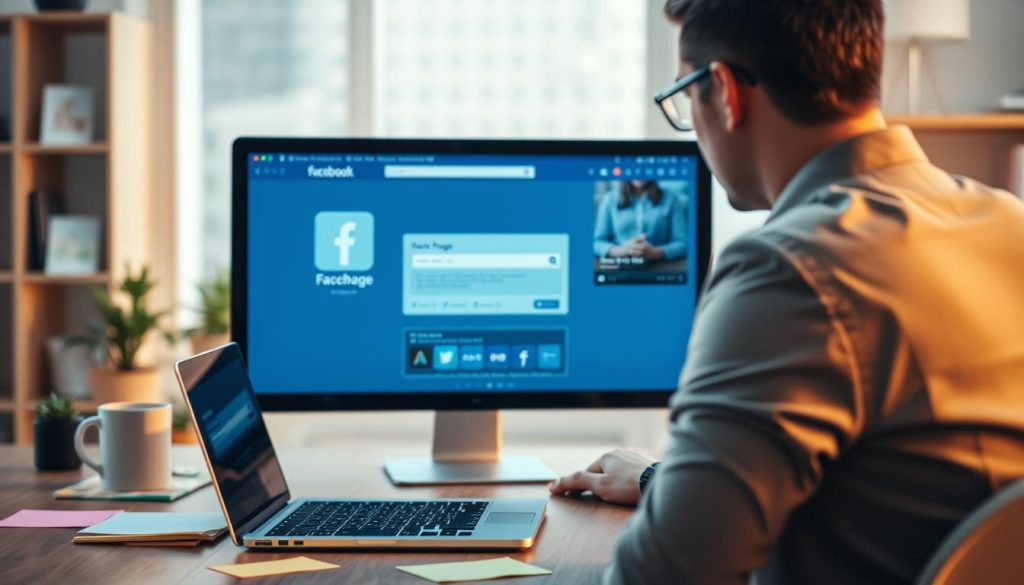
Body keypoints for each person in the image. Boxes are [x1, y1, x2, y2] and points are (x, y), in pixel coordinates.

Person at [550, 1, 1024, 584]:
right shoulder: (1008, 223)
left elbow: (663, 579)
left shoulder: (788, 270)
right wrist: (659, 482)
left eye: (684, 97)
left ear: (724, 91)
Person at [593, 180, 687, 263]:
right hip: (619, 267)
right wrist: (621, 250)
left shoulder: (671, 198)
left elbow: (683, 243)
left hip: (659, 267)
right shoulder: (610, 199)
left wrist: (655, 253)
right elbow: (596, 242)